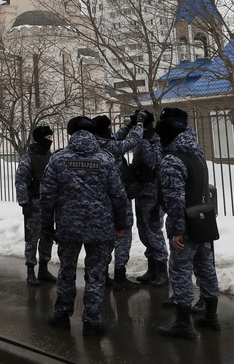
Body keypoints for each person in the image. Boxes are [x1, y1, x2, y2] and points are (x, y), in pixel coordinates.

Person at [41, 116, 130, 337]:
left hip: (68, 226)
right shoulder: (106, 159)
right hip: (101, 227)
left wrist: (46, 224)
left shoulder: (58, 159)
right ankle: (91, 321)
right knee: (96, 274)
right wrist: (121, 223)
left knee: (67, 271)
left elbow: (47, 195)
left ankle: (62, 315)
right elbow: (119, 195)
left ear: (71, 133)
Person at [156, 107, 221, 340]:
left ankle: (183, 324)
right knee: (206, 268)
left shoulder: (172, 160)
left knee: (181, 271)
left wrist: (176, 232)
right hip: (203, 220)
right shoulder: (198, 154)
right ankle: (211, 317)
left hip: (185, 224)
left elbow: (175, 201)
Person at [91, 112, 145, 291]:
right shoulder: (112, 147)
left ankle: (104, 275)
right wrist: (138, 124)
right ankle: (120, 275)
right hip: (119, 198)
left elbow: (116, 138)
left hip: (100, 199)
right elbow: (134, 141)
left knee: (105, 238)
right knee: (124, 234)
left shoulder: (94, 145)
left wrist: (128, 125)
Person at [128, 110, 169, 288]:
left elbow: (152, 161)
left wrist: (143, 140)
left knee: (154, 232)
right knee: (144, 232)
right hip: (141, 192)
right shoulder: (143, 140)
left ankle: (162, 270)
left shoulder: (155, 141)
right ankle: (152, 267)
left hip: (153, 194)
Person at [15, 125, 56, 286]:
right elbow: (20, 182)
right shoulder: (28, 158)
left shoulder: (52, 157)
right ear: (39, 139)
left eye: (51, 138)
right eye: (48, 138)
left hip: (49, 204)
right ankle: (31, 269)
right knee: (32, 239)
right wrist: (24, 203)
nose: (50, 141)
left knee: (47, 237)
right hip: (34, 204)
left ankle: (44, 269)